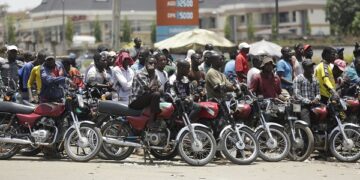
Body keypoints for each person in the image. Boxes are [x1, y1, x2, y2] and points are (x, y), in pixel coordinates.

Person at [129, 56, 161, 128]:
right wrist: (153, 77)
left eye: (155, 64)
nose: (152, 65)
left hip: (145, 98)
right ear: (146, 63)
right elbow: (148, 88)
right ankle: (151, 122)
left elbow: (160, 87)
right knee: (156, 95)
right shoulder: (140, 74)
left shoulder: (154, 74)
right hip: (135, 101)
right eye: (150, 63)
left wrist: (155, 87)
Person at [293, 59, 320, 126]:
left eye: (312, 66)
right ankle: (306, 135)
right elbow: (297, 95)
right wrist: (309, 102)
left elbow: (318, 93)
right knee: (306, 125)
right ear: (304, 68)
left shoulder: (315, 79)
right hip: (301, 105)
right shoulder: (298, 79)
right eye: (310, 67)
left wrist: (317, 98)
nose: (312, 68)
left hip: (313, 104)